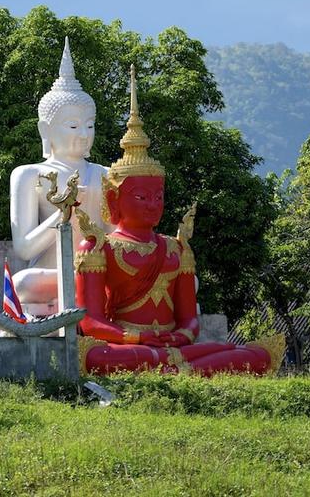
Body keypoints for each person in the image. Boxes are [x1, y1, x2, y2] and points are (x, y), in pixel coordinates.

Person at [75, 66, 283, 375]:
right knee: (96, 358)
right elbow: (90, 322)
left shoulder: (176, 248)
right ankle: (189, 369)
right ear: (114, 199)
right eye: (142, 197)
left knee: (234, 350)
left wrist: (180, 336)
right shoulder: (97, 247)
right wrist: (139, 336)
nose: (153, 205)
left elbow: (190, 319)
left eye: (158, 196)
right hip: (128, 345)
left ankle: (172, 367)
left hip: (173, 345)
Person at [9, 37, 110, 316]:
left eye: (90, 126)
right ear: (46, 130)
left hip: (100, 271)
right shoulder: (29, 175)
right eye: (74, 125)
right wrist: (63, 212)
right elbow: (25, 248)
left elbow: (116, 239)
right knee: (24, 283)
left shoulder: (107, 174)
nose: (84, 134)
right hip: (49, 276)